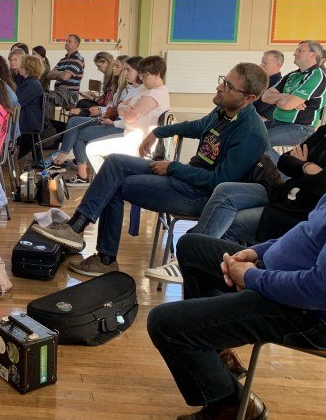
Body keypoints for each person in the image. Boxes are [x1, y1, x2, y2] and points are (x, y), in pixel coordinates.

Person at [34, 63, 269, 278]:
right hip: (188, 179)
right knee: (115, 162)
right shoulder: (223, 111)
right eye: (223, 80)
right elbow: (197, 126)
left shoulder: (250, 132)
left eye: (228, 85)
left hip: (200, 194)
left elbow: (219, 182)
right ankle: (77, 227)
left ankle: (105, 258)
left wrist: (173, 168)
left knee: (115, 185)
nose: (220, 86)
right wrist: (158, 132)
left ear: (249, 98)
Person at [147, 200, 326, 420]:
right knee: (191, 247)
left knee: (165, 324)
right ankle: (219, 363)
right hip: (280, 277)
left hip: (309, 314)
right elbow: (306, 234)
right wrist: (254, 253)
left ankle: (232, 405)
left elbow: (318, 291)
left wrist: (251, 277)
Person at [148, 123, 326, 284]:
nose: (221, 88)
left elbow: (320, 188)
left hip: (298, 213)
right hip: (282, 194)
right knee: (225, 191)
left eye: (227, 86)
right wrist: (307, 168)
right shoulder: (324, 132)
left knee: (230, 223)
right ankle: (193, 256)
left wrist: (303, 166)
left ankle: (205, 272)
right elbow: (285, 161)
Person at [48, 55, 144, 182]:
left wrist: (106, 114)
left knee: (77, 130)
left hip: (120, 127)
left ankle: (66, 164)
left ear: (138, 72)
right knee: (74, 122)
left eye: (127, 70)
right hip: (111, 120)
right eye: (124, 69)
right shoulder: (129, 88)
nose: (124, 73)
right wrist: (106, 111)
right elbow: (117, 108)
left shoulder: (139, 91)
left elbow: (125, 114)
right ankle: (69, 166)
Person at [80, 55, 170, 178]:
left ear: (157, 74)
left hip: (139, 142)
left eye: (145, 75)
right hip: (130, 134)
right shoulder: (146, 89)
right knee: (92, 144)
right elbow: (121, 106)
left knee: (92, 149)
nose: (142, 79)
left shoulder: (156, 93)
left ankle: (110, 184)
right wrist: (123, 107)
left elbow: (129, 116)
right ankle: (110, 183)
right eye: (141, 75)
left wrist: (123, 108)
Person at [261, 40, 325, 160]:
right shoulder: (292, 75)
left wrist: (285, 100)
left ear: (313, 55)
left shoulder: (317, 76)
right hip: (277, 122)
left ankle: (283, 177)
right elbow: (265, 96)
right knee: (247, 135)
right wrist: (287, 95)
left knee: (261, 142)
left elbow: (286, 105)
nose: (294, 53)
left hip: (300, 128)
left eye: (300, 50)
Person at [16, 55, 45, 159]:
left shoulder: (32, 84)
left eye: (21, 66)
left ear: (28, 68)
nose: (19, 68)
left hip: (29, 120)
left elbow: (17, 102)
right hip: (27, 116)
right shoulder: (28, 81)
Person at [47, 34, 84, 108]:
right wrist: (62, 73)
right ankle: (44, 119)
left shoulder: (78, 59)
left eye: (69, 41)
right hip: (59, 92)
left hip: (70, 94)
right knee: (40, 96)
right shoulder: (62, 60)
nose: (66, 43)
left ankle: (47, 120)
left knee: (47, 99)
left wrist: (59, 74)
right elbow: (49, 75)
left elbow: (65, 77)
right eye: (66, 41)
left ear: (77, 44)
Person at [253, 49, 284, 120]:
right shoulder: (263, 80)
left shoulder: (278, 83)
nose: (260, 65)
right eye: (261, 62)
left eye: (265, 63)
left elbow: (259, 106)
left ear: (277, 65)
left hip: (263, 120)